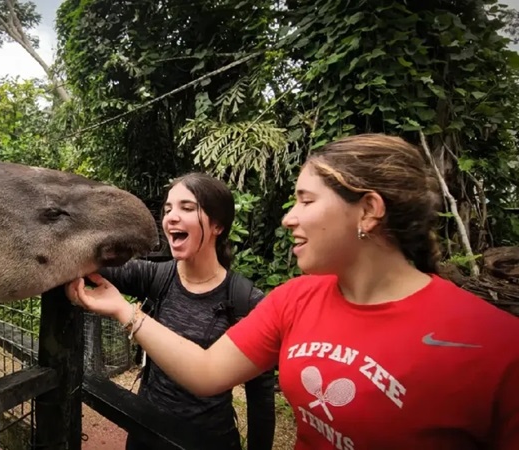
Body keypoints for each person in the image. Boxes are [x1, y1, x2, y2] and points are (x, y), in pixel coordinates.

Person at [67, 134, 519, 450]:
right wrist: (117, 304)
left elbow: (259, 399)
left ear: (369, 211)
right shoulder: (295, 299)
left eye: (305, 200)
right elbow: (207, 372)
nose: (288, 218)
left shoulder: (495, 345)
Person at [94, 172, 275, 450]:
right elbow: (94, 262)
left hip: (208, 441)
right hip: (146, 434)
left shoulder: (244, 300)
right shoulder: (157, 277)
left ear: (217, 225)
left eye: (187, 208)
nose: (171, 217)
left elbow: (260, 398)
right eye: (168, 210)